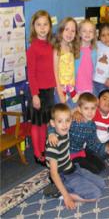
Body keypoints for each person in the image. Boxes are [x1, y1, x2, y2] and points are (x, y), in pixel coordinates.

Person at [45, 103, 106, 210]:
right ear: (53, 123)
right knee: (95, 195)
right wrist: (67, 197)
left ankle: (66, 188)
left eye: (67, 121)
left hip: (73, 167)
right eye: (60, 121)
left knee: (102, 184)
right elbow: (54, 173)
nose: (65, 125)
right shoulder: (53, 144)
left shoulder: (65, 130)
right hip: (63, 175)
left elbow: (68, 115)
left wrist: (77, 111)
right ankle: (62, 193)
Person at [48, 93, 109, 174]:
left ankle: (80, 167)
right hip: (67, 155)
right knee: (94, 171)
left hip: (80, 152)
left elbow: (92, 143)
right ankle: (69, 171)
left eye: (93, 108)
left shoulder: (92, 125)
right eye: (86, 108)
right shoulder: (74, 120)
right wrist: (51, 133)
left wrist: (105, 149)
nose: (90, 112)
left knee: (101, 167)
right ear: (79, 109)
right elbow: (53, 124)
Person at [26, 10, 56, 163]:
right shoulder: (33, 48)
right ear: (34, 26)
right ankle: (37, 154)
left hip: (50, 90)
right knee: (37, 123)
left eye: (45, 24)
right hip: (38, 92)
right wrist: (35, 94)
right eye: (39, 24)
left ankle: (43, 149)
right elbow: (31, 74)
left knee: (45, 121)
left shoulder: (51, 45)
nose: (42, 28)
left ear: (50, 26)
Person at [53, 17, 80, 104]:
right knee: (63, 113)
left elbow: (71, 69)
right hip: (60, 89)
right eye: (66, 29)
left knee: (74, 111)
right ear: (61, 31)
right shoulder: (57, 50)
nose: (70, 33)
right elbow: (55, 73)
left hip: (71, 88)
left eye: (73, 31)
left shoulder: (71, 47)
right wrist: (60, 93)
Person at [74, 19, 97, 94]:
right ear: (79, 33)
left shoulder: (94, 51)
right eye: (84, 31)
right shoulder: (74, 49)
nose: (87, 33)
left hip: (89, 86)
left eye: (90, 31)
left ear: (94, 34)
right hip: (75, 87)